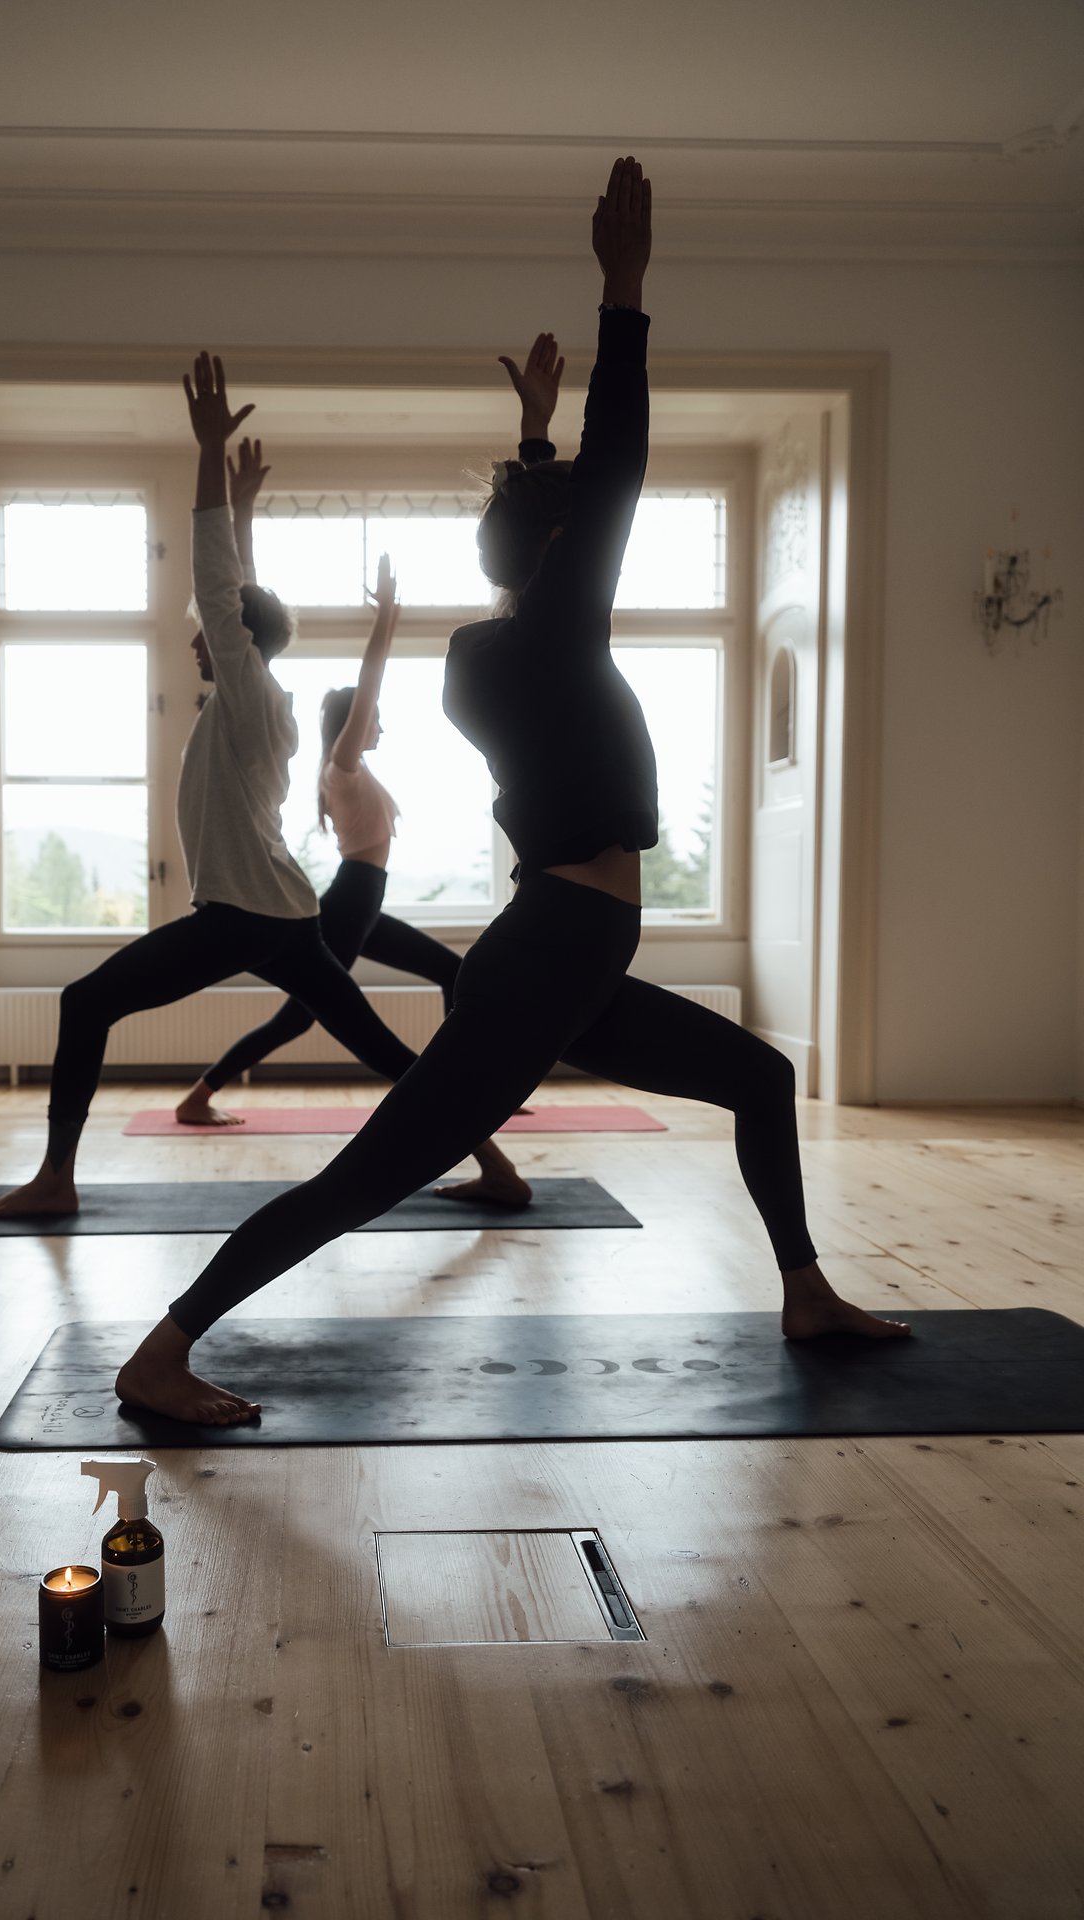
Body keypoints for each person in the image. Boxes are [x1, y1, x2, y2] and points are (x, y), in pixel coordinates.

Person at [112, 161, 908, 1423]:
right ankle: (163, 1349)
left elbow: (547, 540)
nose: (601, 530)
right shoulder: (548, 643)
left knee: (757, 1080)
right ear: (561, 547)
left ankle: (805, 1289)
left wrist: (538, 441)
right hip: (551, 958)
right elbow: (618, 467)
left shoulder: (494, 654)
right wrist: (624, 294)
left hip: (568, 957)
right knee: (369, 1177)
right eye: (578, 525)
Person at [0, 353, 526, 1218]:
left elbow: (222, 589)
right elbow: (240, 596)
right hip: (283, 913)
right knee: (378, 1044)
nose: (198, 636)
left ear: (236, 639)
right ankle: (495, 1163)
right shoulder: (259, 698)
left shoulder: (250, 689)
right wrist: (242, 508)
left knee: (86, 1005)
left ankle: (54, 1181)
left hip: (240, 914)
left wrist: (207, 456)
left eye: (211, 629)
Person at [173, 551, 467, 1129]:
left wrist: (389, 618)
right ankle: (199, 1095)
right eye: (372, 718)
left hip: (364, 902)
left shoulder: (358, 772)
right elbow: (369, 684)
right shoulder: (342, 767)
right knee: (299, 1017)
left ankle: (467, 1082)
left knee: (452, 973)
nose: (379, 724)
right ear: (352, 724)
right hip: (351, 899)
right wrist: (385, 621)